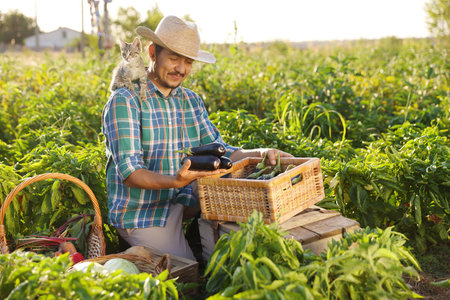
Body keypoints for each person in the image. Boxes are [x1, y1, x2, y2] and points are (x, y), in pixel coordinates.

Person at [101, 15, 293, 260]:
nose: (180, 69)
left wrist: (261, 153)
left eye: (188, 61)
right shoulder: (125, 100)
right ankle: (135, 252)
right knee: (188, 278)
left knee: (239, 222)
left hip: (182, 199)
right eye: (173, 58)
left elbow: (220, 150)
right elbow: (131, 174)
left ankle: (193, 237)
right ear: (152, 52)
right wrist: (176, 180)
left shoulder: (189, 100)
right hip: (142, 212)